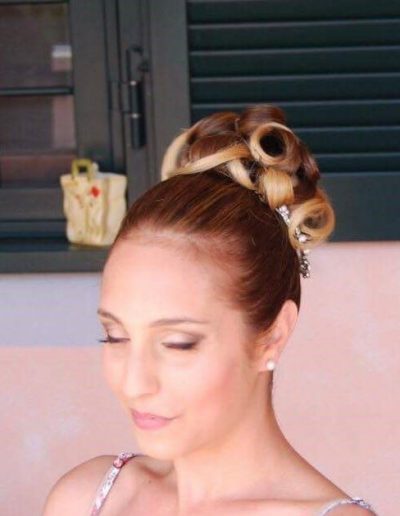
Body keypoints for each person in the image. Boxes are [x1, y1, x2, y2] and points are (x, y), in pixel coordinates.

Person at [43, 105, 378, 515]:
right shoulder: (86, 499)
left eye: (177, 344)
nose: (133, 384)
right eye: (115, 337)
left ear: (272, 337)